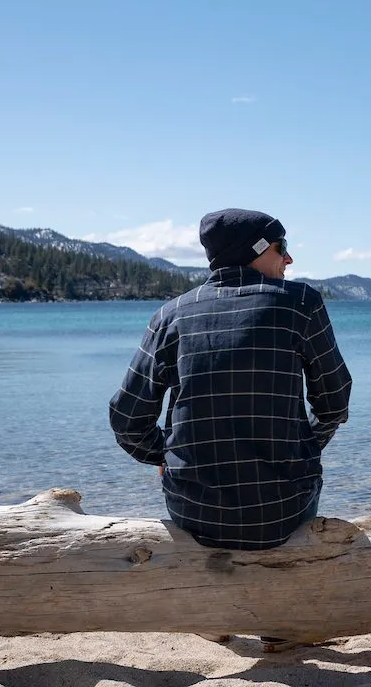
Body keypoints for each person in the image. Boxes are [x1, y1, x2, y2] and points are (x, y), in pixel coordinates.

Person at [109, 208, 352, 554]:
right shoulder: (301, 303)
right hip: (285, 507)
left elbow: (127, 420)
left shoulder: (170, 315)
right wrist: (302, 449)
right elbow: (335, 402)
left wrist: (168, 456)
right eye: (281, 247)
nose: (289, 257)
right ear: (255, 250)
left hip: (195, 509)